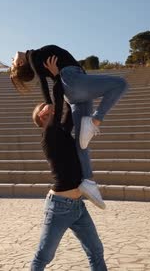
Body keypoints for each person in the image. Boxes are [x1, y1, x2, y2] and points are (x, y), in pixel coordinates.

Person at [10, 45, 128, 209]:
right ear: (21, 63)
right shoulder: (33, 56)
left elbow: (55, 89)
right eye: (13, 62)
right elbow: (44, 84)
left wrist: (56, 80)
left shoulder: (58, 129)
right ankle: (95, 121)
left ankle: (88, 181)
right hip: (73, 80)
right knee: (120, 84)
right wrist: (50, 102)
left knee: (82, 141)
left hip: (70, 89)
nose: (12, 58)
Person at [29, 73, 107, 270]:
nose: (52, 109)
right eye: (46, 109)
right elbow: (56, 103)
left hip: (77, 205)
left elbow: (69, 114)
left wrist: (74, 86)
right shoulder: (48, 134)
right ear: (41, 116)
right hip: (59, 207)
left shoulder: (61, 131)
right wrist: (56, 77)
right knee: (44, 256)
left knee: (96, 251)